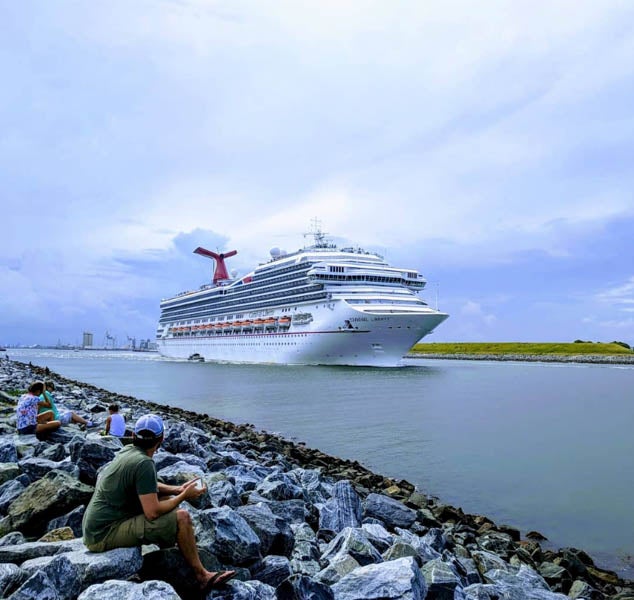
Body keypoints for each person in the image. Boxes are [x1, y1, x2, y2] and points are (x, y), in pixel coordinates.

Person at [82, 414, 235, 593]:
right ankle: (202, 576)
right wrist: (184, 495)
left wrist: (176, 489)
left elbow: (148, 485)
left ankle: (171, 551)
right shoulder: (144, 463)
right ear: (161, 439)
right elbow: (152, 512)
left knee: (165, 499)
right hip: (103, 534)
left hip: (96, 526)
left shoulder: (129, 451)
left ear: (133, 436)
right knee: (182, 517)